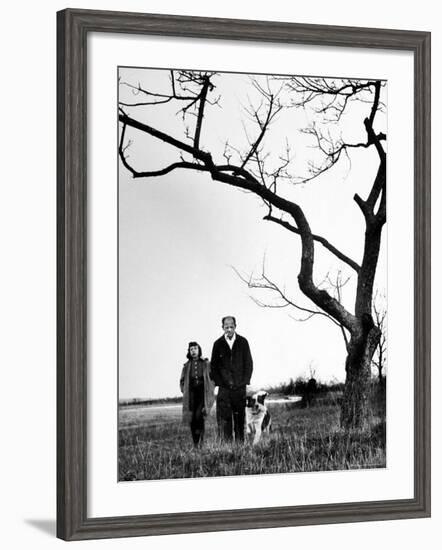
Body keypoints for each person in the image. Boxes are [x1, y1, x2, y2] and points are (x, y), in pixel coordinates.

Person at [210, 316, 253, 442]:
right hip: (224, 390)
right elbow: (214, 367)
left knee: (239, 420)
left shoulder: (243, 342)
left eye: (231, 326)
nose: (229, 329)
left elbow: (249, 363)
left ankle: (240, 446)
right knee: (225, 421)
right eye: (226, 327)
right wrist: (220, 383)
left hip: (239, 388)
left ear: (235, 326)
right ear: (222, 327)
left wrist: (244, 381)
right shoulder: (217, 344)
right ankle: (228, 448)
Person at [179, 341, 215, 447]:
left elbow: (212, 378)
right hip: (191, 395)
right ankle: (195, 444)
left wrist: (210, 388)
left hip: (202, 394)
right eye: (191, 349)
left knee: (199, 416)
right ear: (189, 352)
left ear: (199, 350)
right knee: (192, 419)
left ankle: (201, 442)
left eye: (195, 348)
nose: (193, 351)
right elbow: (182, 381)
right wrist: (184, 390)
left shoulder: (206, 363)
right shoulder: (186, 366)